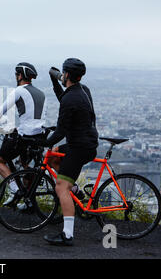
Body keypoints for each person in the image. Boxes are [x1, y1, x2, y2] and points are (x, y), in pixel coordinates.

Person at [41, 58, 98, 246]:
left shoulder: (71, 98)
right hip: (86, 143)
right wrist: (53, 80)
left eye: (62, 73)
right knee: (54, 157)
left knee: (60, 188)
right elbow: (64, 97)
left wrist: (42, 143)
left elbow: (60, 131)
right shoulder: (82, 90)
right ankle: (75, 191)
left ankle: (67, 235)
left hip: (79, 147)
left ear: (66, 75)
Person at [0, 62, 46, 205]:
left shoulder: (19, 91)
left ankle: (14, 190)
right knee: (26, 166)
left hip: (25, 137)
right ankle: (28, 201)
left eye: (17, 74)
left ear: (20, 75)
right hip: (40, 137)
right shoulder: (42, 94)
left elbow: (1, 111)